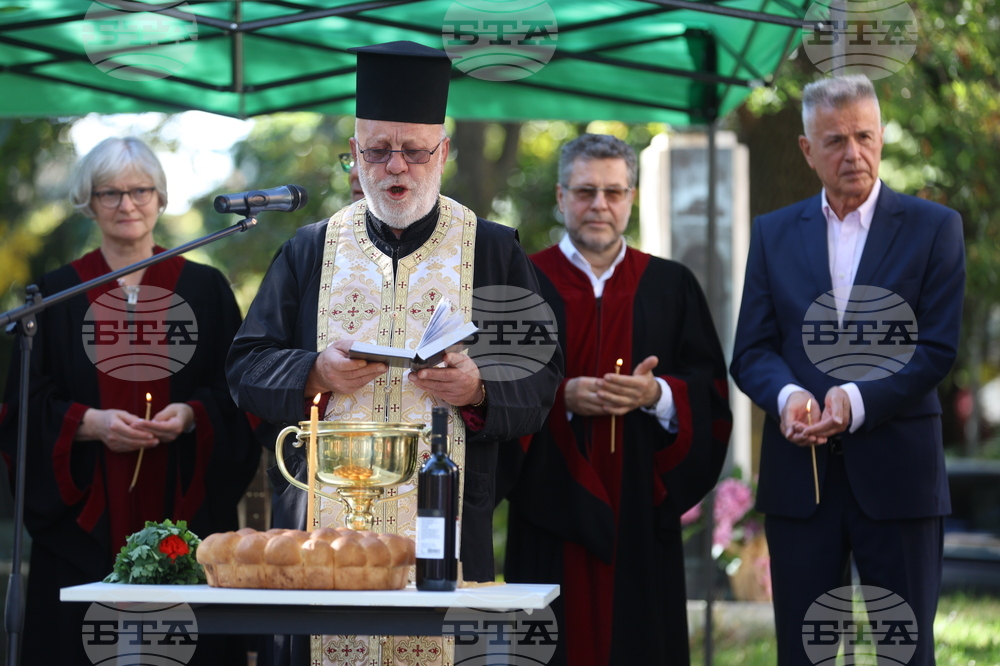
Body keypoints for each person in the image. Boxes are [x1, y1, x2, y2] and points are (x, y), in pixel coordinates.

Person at [226, 41, 562, 666]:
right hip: (323, 531)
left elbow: (541, 378)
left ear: (444, 152)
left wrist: (479, 390)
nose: (395, 166)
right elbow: (245, 368)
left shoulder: (493, 251)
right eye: (378, 150)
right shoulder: (309, 250)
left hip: (447, 521)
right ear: (355, 155)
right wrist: (314, 371)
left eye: (413, 150)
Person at [730, 75, 965, 666]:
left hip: (901, 481)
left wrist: (854, 402)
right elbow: (752, 350)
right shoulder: (772, 233)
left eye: (864, 136)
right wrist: (787, 396)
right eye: (835, 140)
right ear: (807, 150)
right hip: (800, 483)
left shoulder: (935, 228)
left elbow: (936, 349)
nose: (853, 152)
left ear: (882, 136)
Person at [0, 137, 260, 665]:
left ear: (160, 198)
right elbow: (22, 407)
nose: (127, 205)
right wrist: (88, 423)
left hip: (182, 508)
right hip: (86, 523)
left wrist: (191, 415)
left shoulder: (204, 288)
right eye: (110, 193)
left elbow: (238, 391)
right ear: (88, 201)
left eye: (140, 190)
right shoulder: (57, 294)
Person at [498, 134, 732, 666]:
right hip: (550, 509)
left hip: (639, 513)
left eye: (613, 192)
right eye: (585, 191)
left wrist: (659, 394)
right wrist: (560, 396)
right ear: (561, 197)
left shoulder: (671, 285)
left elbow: (710, 393)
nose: (599, 205)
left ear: (632, 198)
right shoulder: (523, 283)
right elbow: (490, 389)